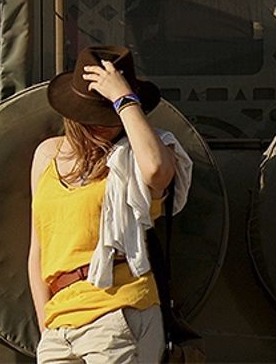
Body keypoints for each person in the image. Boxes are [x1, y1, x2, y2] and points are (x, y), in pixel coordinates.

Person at [28, 45, 192, 364]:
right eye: (94, 115)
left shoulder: (135, 157)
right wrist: (45, 325)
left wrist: (124, 99)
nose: (104, 124)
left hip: (117, 313)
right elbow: (38, 250)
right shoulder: (47, 155)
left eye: (109, 114)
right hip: (60, 322)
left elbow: (158, 171)